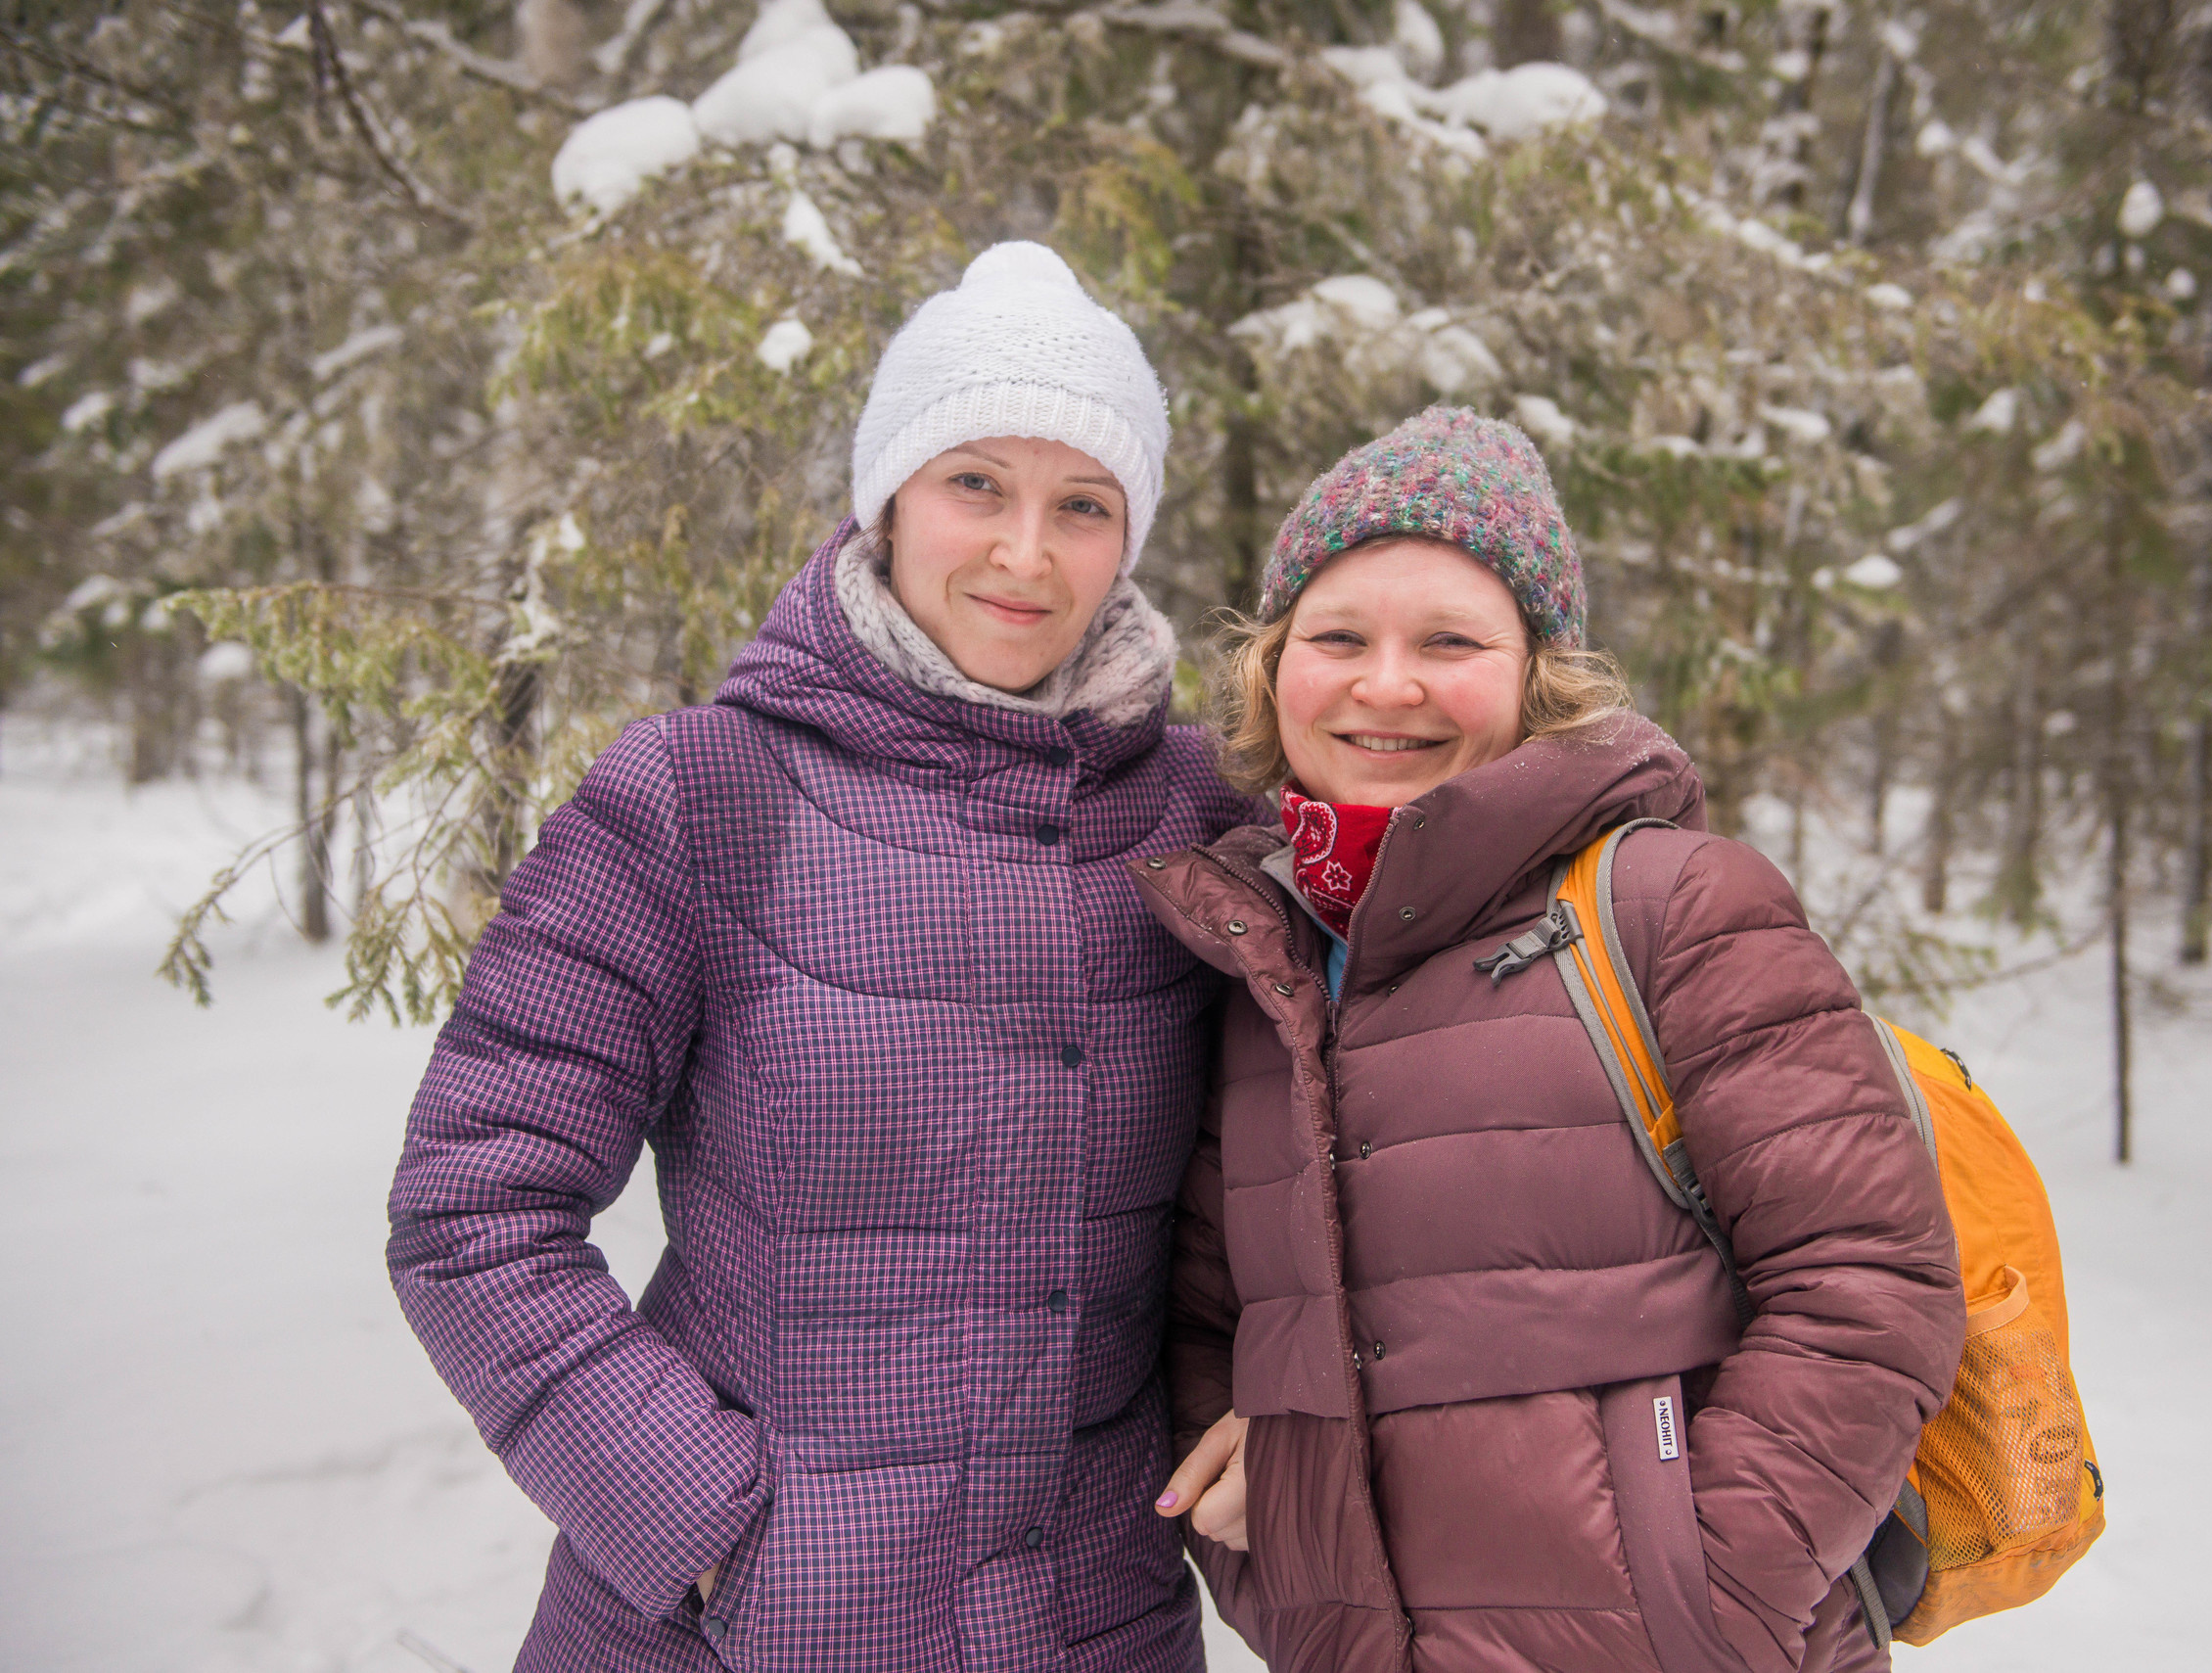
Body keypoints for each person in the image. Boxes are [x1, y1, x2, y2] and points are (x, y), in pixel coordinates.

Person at [388, 243, 1258, 1673]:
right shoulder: (701, 795)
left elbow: (1347, 1158)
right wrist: (706, 1525)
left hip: (1090, 1620)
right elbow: (474, 1207)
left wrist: (1285, 1403)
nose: (1025, 552)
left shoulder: (1199, 816)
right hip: (743, 1627)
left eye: (1083, 503)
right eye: (976, 482)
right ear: (889, 496)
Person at [1135, 406, 1967, 1673]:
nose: (1386, 684)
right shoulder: (1268, 967)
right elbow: (1206, 1327)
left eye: (1450, 640)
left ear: (1539, 674)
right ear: (1274, 666)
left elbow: (1868, 1286)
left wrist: (1707, 1603)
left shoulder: (1675, 908)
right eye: (1338, 636)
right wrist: (1287, 1567)